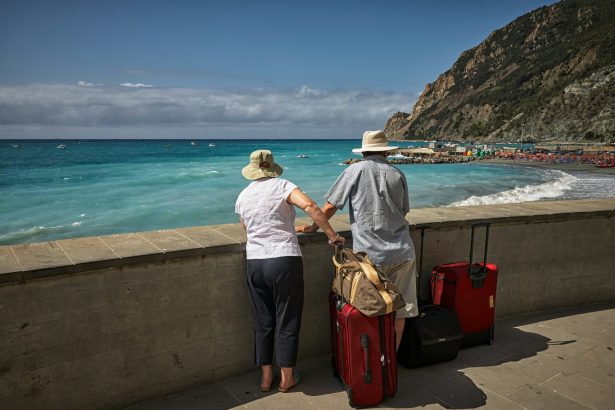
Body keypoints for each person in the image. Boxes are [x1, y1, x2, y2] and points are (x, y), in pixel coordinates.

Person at [235, 149, 345, 393]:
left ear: (252, 170)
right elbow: (310, 205)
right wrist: (332, 236)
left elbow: (248, 228)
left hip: (255, 261)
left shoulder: (243, 196)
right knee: (287, 318)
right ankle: (286, 377)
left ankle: (265, 378)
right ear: (272, 167)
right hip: (283, 259)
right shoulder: (283, 185)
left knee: (263, 321)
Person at [298, 130, 418, 350]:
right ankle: (390, 362)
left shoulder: (354, 170)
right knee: (401, 310)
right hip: (403, 251)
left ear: (364, 151)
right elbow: (404, 211)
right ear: (385, 152)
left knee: (370, 309)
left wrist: (314, 226)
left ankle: (371, 363)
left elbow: (331, 206)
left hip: (370, 257)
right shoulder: (397, 173)